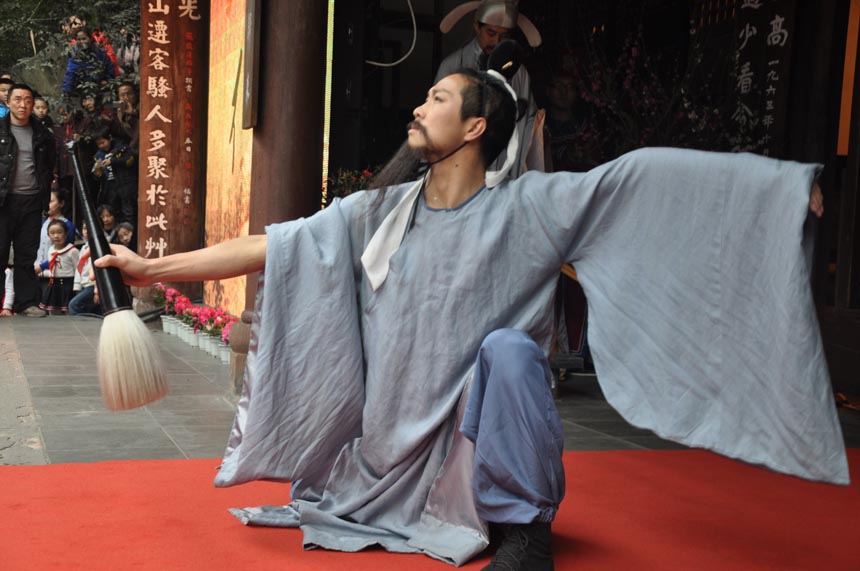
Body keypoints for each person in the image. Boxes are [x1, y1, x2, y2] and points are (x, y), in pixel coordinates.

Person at [96, 61, 845, 570]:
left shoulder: (528, 207)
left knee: (512, 351)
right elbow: (270, 245)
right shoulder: (380, 212)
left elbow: (640, 178)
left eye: (436, 100)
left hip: (473, 449)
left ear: (478, 127)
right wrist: (151, 268)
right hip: (385, 462)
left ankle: (523, 528)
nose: (416, 110)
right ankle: (422, 502)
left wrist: (772, 192)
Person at [436, 0, 543, 177]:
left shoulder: (519, 72)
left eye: (504, 36)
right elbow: (438, 117)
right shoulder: (452, 65)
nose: (496, 41)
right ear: (477, 26)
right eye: (491, 33)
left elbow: (527, 120)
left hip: (503, 160)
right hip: (460, 156)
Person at [0, 83, 58, 318]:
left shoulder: (43, 134)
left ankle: (25, 303)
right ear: (8, 102)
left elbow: (47, 168)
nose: (22, 105)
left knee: (26, 253)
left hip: (32, 201)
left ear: (33, 104)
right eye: (17, 99)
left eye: (27, 100)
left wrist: (46, 197)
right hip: (3, 200)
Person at [93, 126, 138, 224]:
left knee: (129, 211)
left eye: (103, 142)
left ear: (109, 138)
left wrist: (113, 161)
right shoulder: (98, 155)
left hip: (126, 184)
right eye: (98, 144)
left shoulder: (121, 147)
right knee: (114, 211)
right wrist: (98, 174)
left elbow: (130, 161)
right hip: (110, 187)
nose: (101, 146)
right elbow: (98, 176)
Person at [37, 219, 79, 314]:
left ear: (66, 233)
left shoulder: (73, 251)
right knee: (54, 312)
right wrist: (43, 273)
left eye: (59, 232)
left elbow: (78, 269)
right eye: (52, 233)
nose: (56, 236)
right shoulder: (51, 250)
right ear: (48, 235)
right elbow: (54, 269)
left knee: (68, 310)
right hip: (54, 285)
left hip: (68, 285)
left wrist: (77, 286)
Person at [61, 27, 116, 96]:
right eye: (79, 39)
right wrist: (66, 91)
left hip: (100, 87)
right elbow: (70, 73)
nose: (82, 42)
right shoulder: (74, 55)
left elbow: (109, 66)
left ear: (90, 39)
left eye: (84, 39)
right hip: (82, 89)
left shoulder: (98, 52)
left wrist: (108, 80)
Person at [35, 189, 76, 275]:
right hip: (37, 268)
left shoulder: (68, 225)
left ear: (61, 204)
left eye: (51, 201)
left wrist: (41, 267)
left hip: (55, 271)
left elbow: (64, 251)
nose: (47, 204)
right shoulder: (43, 223)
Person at [69, 222, 101, 316]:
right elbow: (80, 268)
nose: (87, 232)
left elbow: (100, 269)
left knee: (74, 305)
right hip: (85, 284)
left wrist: (97, 290)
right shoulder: (84, 247)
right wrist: (77, 287)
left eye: (89, 229)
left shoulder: (100, 246)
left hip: (93, 285)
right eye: (84, 229)